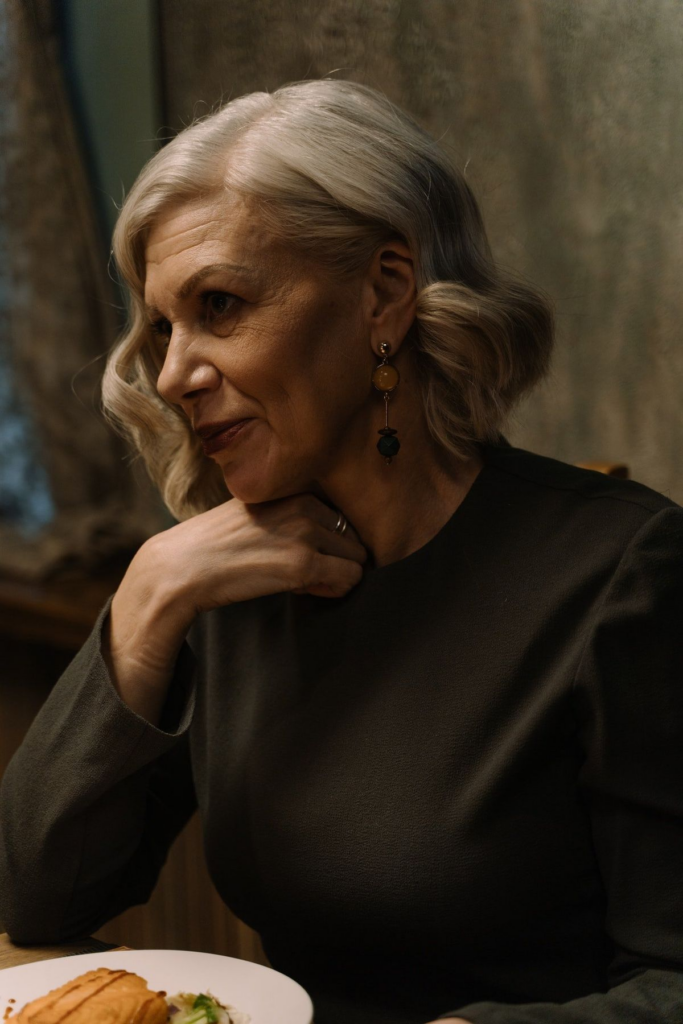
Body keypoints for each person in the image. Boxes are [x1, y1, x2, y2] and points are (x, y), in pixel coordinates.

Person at [1, 79, 682, 1024]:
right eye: (161, 327)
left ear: (384, 292)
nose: (173, 373)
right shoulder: (224, 580)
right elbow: (39, 900)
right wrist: (147, 598)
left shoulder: (623, 575)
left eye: (220, 305)